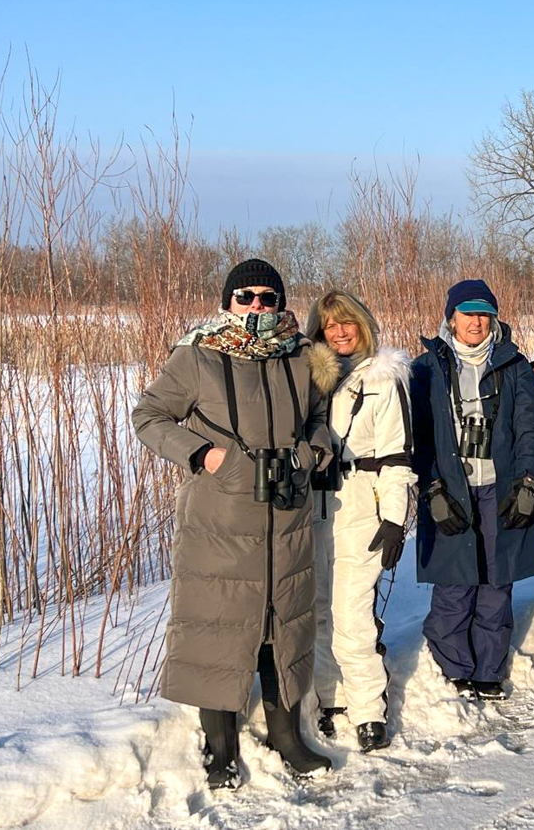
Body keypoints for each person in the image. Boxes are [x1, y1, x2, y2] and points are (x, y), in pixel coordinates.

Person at [132, 259, 336, 789]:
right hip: (219, 523)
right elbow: (149, 417)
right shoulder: (197, 356)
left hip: (285, 519)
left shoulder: (299, 357)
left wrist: (313, 452)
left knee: (282, 629)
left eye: (268, 297)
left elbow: (320, 421)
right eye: (245, 296)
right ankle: (219, 745)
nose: (256, 306)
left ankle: (286, 735)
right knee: (217, 630)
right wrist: (204, 455)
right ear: (228, 300)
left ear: (281, 303)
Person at [411, 280, 534, 701]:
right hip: (450, 488)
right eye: (468, 313)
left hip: (498, 485)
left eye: (484, 314)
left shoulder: (514, 365)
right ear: (451, 318)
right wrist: (431, 486)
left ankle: (489, 667)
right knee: (455, 581)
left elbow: (530, 428)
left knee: (496, 578)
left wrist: (527, 480)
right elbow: (417, 434)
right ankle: (454, 664)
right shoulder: (426, 368)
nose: (477, 321)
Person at [305, 290, 415, 752]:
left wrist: (394, 518)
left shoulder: (384, 379)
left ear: (363, 325)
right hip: (315, 508)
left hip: (362, 505)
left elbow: (396, 455)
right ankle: (331, 697)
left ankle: (369, 707)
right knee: (319, 608)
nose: (340, 332)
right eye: (330, 326)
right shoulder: (311, 379)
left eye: (347, 322)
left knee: (352, 613)